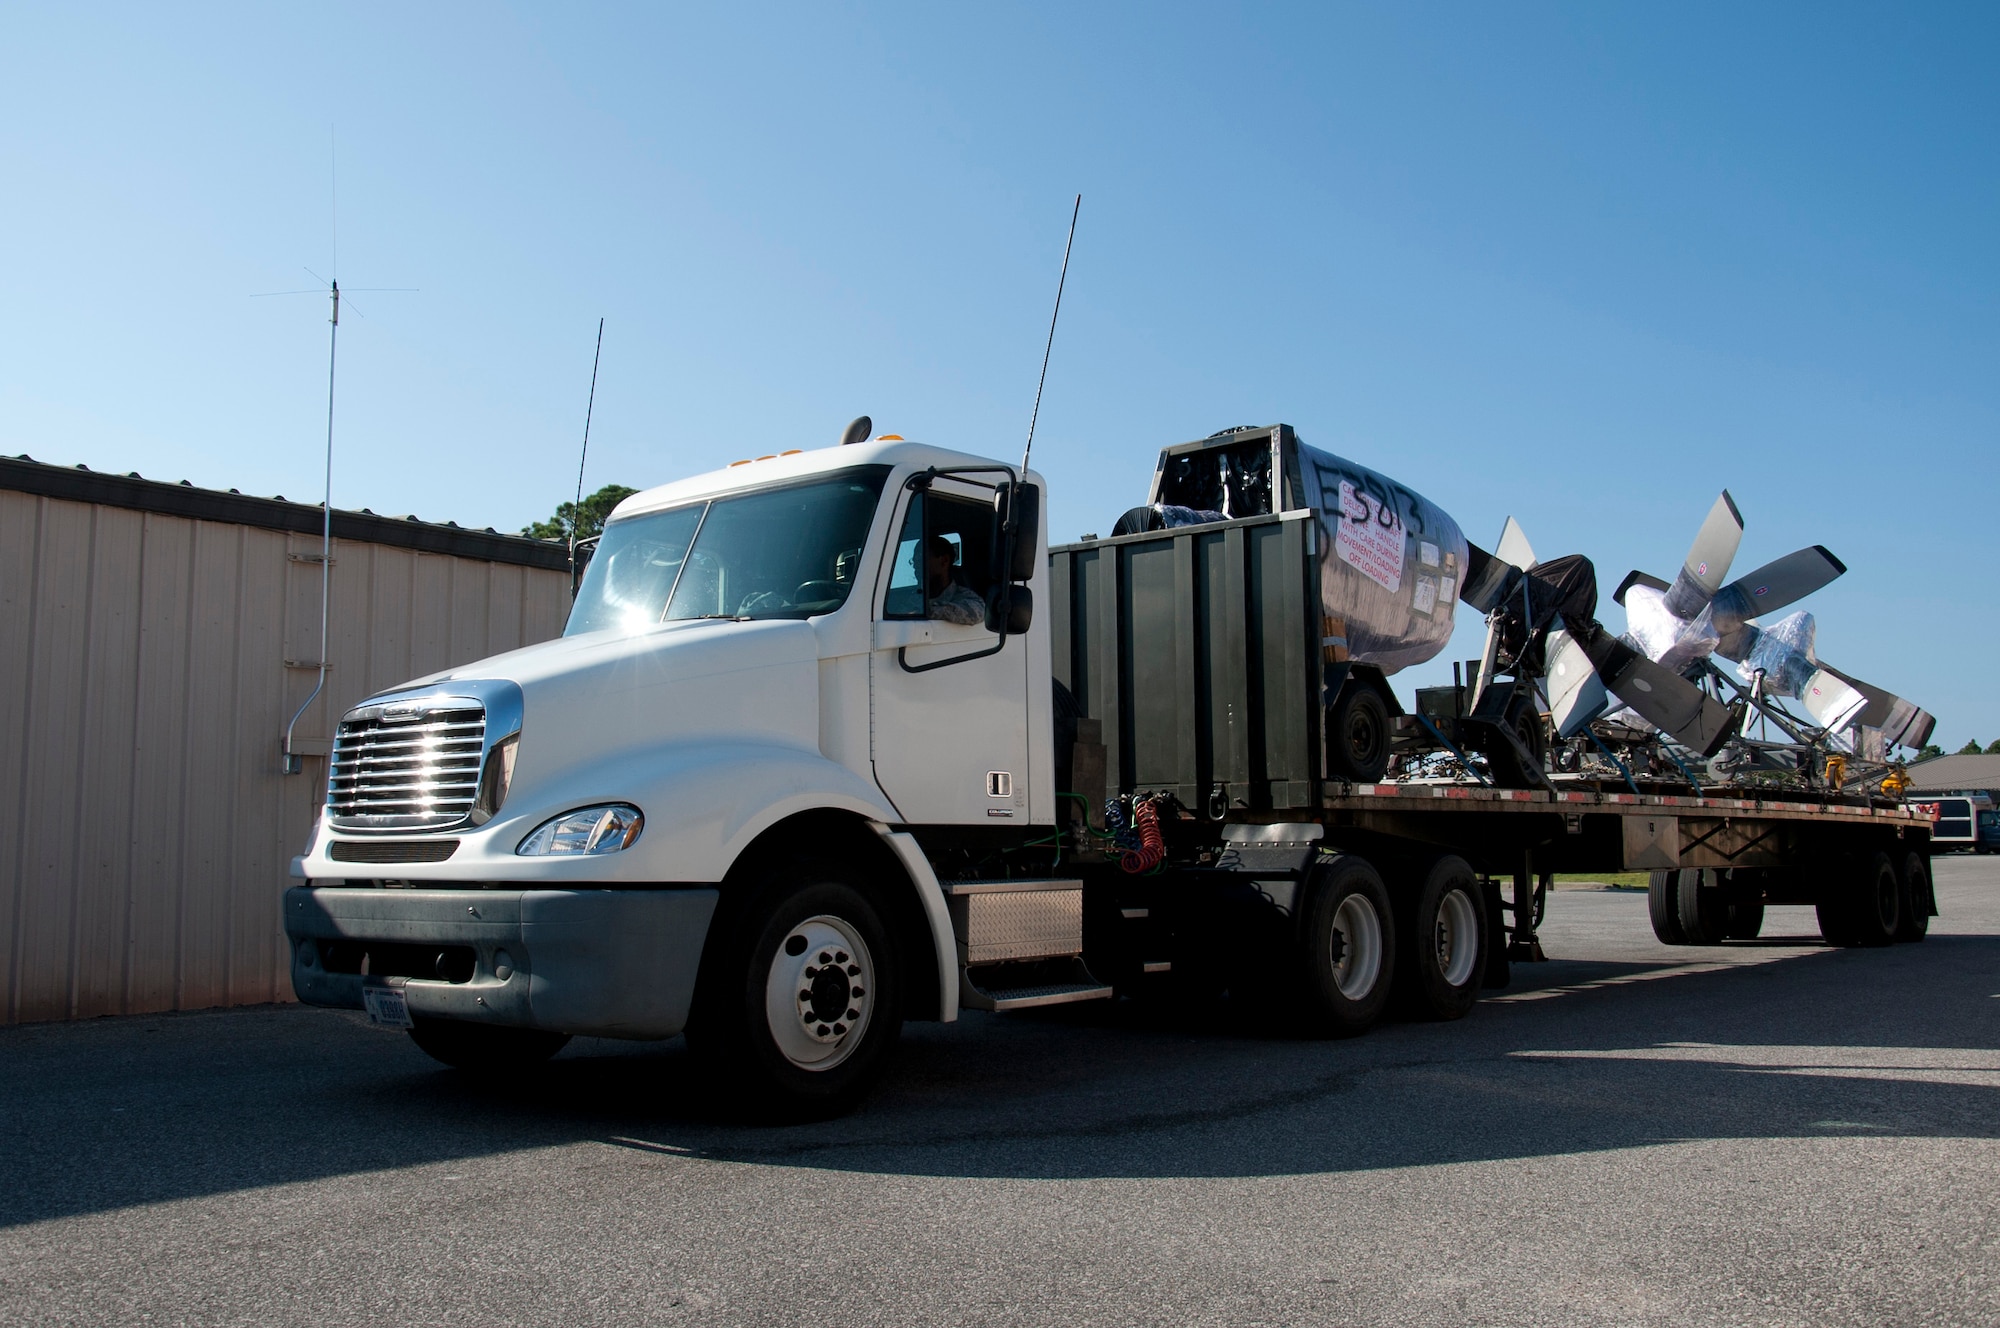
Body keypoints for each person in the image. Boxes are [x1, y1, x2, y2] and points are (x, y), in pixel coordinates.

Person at [923, 535, 987, 625]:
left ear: (944, 561)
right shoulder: (912, 598)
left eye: (920, 559)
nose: (915, 566)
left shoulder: (963, 596)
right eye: (914, 561)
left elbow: (978, 612)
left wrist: (927, 611)